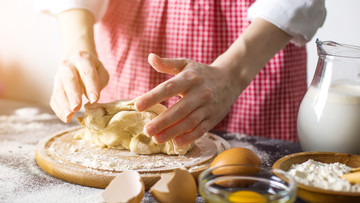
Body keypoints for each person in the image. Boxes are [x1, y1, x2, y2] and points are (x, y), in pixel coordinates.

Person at [36, 0, 326, 146]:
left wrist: (233, 73)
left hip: (256, 47)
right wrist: (77, 48)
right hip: (133, 40)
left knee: (247, 176)